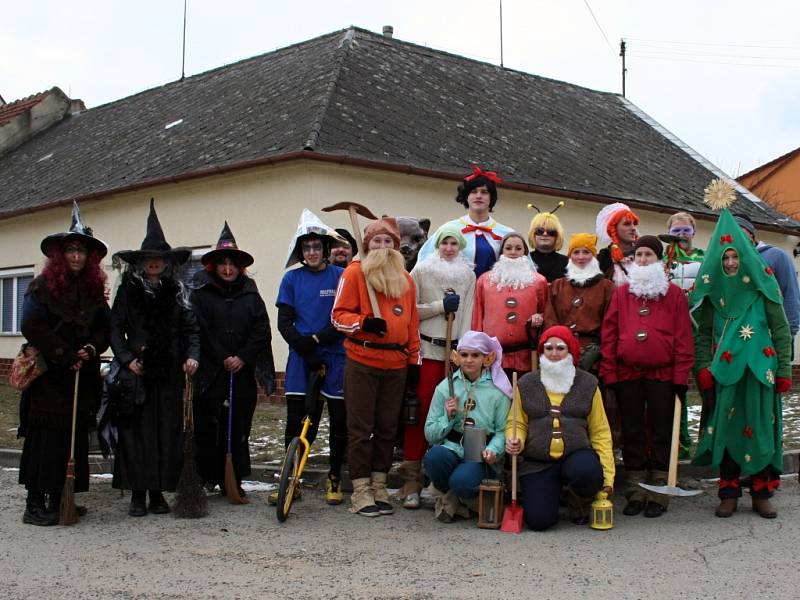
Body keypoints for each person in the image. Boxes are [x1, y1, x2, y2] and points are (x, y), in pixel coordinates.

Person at [691, 208, 791, 519]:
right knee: (728, 431)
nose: (732, 263)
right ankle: (729, 491)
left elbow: (781, 330)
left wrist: (785, 369)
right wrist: (703, 367)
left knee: (762, 431)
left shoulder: (764, 285)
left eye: (736, 256)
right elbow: (702, 333)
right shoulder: (712, 292)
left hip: (761, 373)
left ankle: (762, 492)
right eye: (726, 258)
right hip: (725, 374)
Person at [18, 202, 110, 526]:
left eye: (81, 251)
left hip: (79, 378)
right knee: (46, 441)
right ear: (60, 254)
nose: (76, 256)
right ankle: (34, 503)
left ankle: (61, 497)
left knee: (71, 440)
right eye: (71, 250)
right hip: (49, 379)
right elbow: (31, 325)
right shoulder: (40, 288)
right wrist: (63, 354)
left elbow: (104, 329)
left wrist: (89, 348)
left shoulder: (94, 292)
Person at [110, 199, 200, 517]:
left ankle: (159, 492)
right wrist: (125, 360)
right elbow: (114, 330)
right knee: (137, 436)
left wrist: (193, 357)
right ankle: (137, 493)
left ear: (166, 262)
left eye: (159, 258)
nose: (153, 263)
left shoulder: (177, 291)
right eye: (149, 258)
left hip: (169, 373)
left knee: (165, 433)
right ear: (141, 261)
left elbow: (191, 329)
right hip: (136, 374)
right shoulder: (127, 291)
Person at [600, 235, 694, 518]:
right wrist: (610, 371)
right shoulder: (622, 293)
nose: (642, 260)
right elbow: (610, 334)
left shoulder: (674, 295)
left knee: (662, 430)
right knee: (632, 431)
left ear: (659, 260)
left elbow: (683, 338)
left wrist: (680, 376)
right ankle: (635, 489)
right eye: (638, 255)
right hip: (628, 372)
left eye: (648, 255)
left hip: (663, 374)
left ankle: (659, 490)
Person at [332, 216, 421, 516]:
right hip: (363, 360)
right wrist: (363, 323)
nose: (382, 246)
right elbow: (337, 315)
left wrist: (413, 360)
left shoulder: (405, 279)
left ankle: (380, 484)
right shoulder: (355, 273)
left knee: (387, 428)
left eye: (388, 242)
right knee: (361, 428)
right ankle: (360, 488)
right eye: (376, 241)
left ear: (396, 247)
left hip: (395, 363)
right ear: (367, 244)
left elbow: (411, 323)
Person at [191, 222, 274, 499]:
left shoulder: (251, 295)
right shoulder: (201, 295)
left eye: (232, 264)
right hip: (210, 374)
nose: (228, 269)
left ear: (240, 267)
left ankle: (234, 478)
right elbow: (199, 328)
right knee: (208, 425)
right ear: (214, 266)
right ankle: (207, 476)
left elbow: (261, 330)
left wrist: (242, 357)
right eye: (223, 264)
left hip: (241, 373)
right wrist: (222, 356)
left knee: (238, 427)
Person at [397, 225, 476, 509]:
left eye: (455, 244)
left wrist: (463, 351)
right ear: (438, 245)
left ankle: (439, 479)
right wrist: (440, 305)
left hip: (453, 352)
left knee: (452, 412)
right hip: (427, 349)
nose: (449, 248)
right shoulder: (420, 271)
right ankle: (411, 479)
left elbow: (468, 313)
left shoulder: (469, 276)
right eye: (445, 243)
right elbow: (410, 310)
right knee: (421, 412)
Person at [506, 325, 614, 531]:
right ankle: (551, 495)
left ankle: (578, 499)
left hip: (576, 456)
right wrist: (515, 440)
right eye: (549, 348)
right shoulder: (526, 384)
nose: (554, 353)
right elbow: (516, 422)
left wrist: (608, 476)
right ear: (542, 351)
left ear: (570, 351)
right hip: (538, 461)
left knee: (587, 472)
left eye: (560, 348)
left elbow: (600, 431)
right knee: (539, 521)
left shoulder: (588, 384)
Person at [275, 210, 347, 505]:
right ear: (300, 251)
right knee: (299, 421)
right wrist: (305, 347)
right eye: (307, 247)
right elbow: (284, 321)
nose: (313, 252)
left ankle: (334, 478)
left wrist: (318, 340)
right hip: (301, 357)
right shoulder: (291, 279)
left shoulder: (341, 276)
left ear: (326, 250)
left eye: (318, 246)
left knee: (339, 423)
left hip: (335, 356)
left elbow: (343, 319)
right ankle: (291, 477)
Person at [423, 331, 511, 522]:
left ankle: (451, 499)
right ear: (457, 357)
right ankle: (461, 502)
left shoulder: (499, 391)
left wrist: (493, 450)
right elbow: (430, 434)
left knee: (462, 481)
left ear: (486, 358)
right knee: (434, 458)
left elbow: (503, 430)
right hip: (452, 447)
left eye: (475, 355)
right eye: (464, 355)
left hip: (480, 454)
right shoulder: (445, 387)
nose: (469, 360)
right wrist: (448, 417)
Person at [543, 233, 620, 447]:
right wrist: (559, 349)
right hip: (562, 353)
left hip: (594, 354)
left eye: (586, 252)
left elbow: (611, 322)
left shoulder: (606, 287)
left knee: (592, 403)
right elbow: (550, 319)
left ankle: (596, 448)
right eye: (576, 252)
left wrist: (600, 350)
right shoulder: (557, 286)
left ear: (593, 256)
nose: (581, 257)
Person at [472, 232, 547, 378]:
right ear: (502, 252)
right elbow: (477, 316)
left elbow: (547, 312)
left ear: (525, 252)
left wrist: (540, 317)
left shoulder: (539, 281)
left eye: (518, 248)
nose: (513, 252)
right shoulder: (484, 281)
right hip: (492, 357)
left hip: (527, 357)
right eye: (509, 248)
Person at [417, 166, 513, 277]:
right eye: (473, 191)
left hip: (492, 293)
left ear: (491, 198)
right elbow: (423, 265)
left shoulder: (506, 233)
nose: (478, 196)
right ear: (466, 197)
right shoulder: (448, 229)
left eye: (484, 192)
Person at [663, 211, 705, 458]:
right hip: (672, 336)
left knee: (706, 388)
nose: (681, 236)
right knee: (676, 391)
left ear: (693, 232)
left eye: (685, 230)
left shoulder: (706, 259)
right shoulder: (663, 260)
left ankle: (707, 444)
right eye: (676, 231)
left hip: (700, 333)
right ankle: (680, 445)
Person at [732, 213, 800, 343]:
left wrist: (790, 331)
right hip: (737, 334)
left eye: (739, 230)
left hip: (771, 332)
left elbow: (790, 293)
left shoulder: (776, 256)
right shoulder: (727, 261)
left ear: (751, 234)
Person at [596, 202, 640, 286]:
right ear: (614, 229)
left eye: (634, 224)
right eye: (627, 224)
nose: (633, 228)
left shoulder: (643, 255)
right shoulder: (604, 258)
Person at [527, 207, 569, 283]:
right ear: (533, 234)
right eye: (540, 231)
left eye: (551, 231)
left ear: (557, 235)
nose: (545, 234)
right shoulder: (525, 261)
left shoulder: (568, 263)